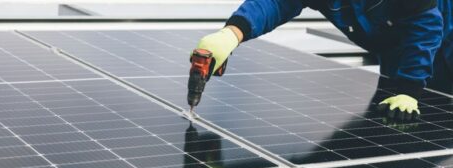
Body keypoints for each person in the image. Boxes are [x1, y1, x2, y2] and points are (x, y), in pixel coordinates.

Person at [193, 0, 453, 121]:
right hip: (394, 51)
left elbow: (426, 26)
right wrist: (232, 33)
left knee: (434, 122)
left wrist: (409, 89)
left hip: (444, 46)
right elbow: (275, 3)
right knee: (388, 126)